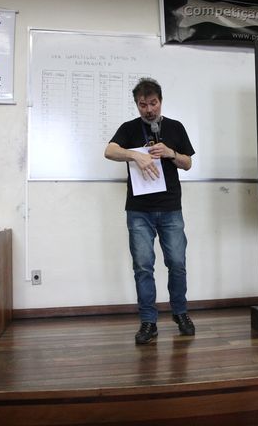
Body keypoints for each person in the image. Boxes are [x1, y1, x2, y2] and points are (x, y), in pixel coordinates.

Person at [104, 77, 196, 344]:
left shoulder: (176, 127)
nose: (148, 110)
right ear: (137, 105)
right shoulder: (129, 128)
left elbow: (188, 163)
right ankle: (148, 322)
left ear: (161, 101)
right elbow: (109, 151)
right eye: (142, 105)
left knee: (177, 263)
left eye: (153, 103)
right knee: (143, 266)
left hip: (170, 208)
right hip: (139, 210)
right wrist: (136, 155)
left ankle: (180, 313)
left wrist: (170, 153)